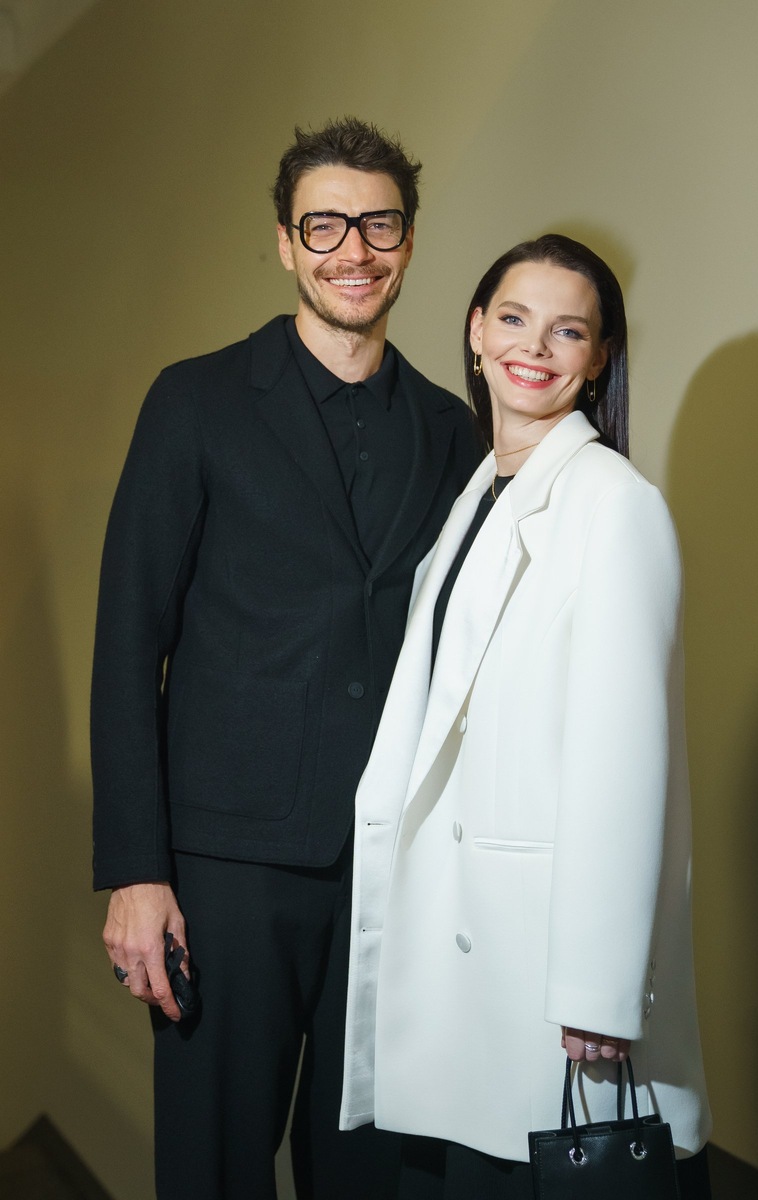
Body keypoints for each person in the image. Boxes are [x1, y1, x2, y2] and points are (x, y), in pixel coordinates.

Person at [91, 116, 480, 1200]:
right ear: (284, 243)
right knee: (212, 1171)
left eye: (379, 224)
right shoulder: (194, 401)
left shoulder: (452, 429)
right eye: (325, 225)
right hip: (225, 871)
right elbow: (128, 640)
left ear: (407, 241)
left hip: (392, 872)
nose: (354, 249)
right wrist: (136, 872)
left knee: (372, 1175)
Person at [341, 234, 713, 1198]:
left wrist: (598, 986)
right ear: (475, 332)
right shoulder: (477, 497)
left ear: (598, 359)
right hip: (468, 951)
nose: (534, 347)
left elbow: (625, 761)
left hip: (547, 974)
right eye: (513, 318)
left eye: (568, 331)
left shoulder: (612, 505)